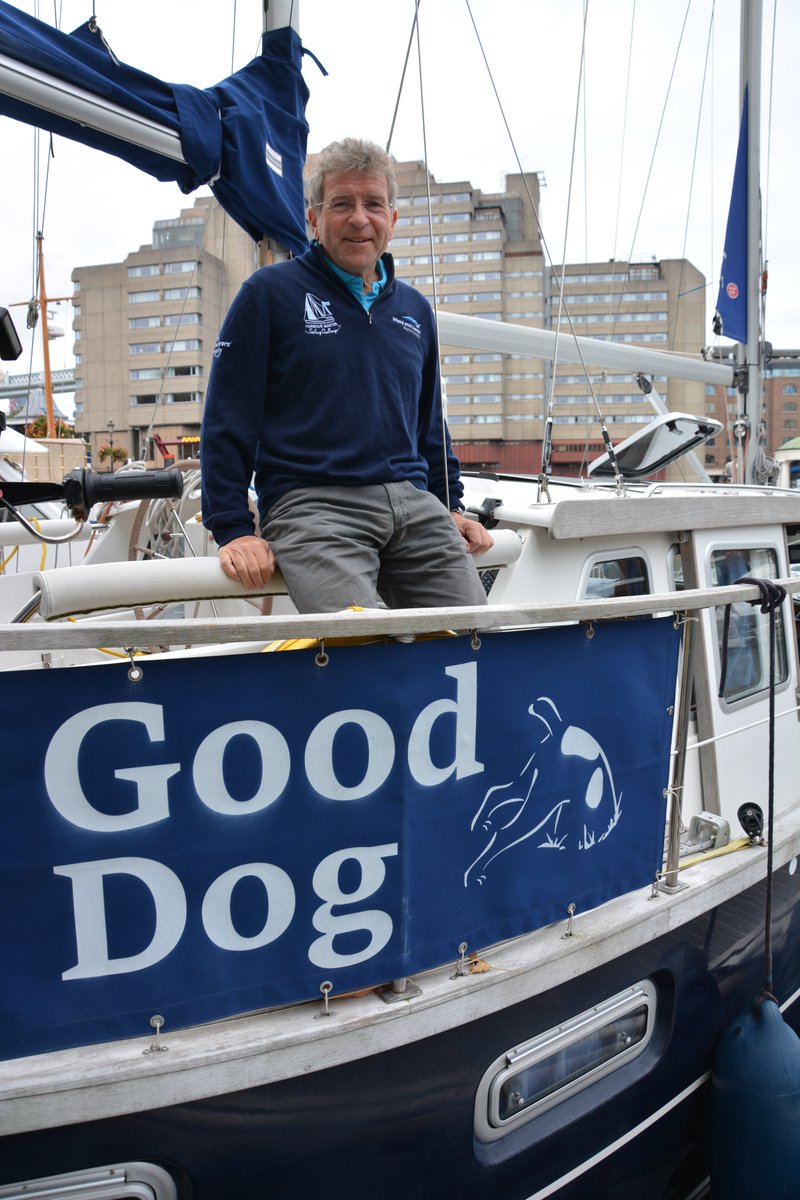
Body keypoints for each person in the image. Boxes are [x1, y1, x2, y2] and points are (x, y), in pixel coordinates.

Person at [200, 136, 493, 613]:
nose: (360, 218)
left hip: (414, 505)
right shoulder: (268, 295)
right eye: (342, 203)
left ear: (392, 221)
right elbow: (227, 419)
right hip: (314, 506)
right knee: (362, 645)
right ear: (314, 219)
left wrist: (451, 505)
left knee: (475, 634)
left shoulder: (414, 310)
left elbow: (428, 424)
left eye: (374, 204)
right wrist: (233, 528)